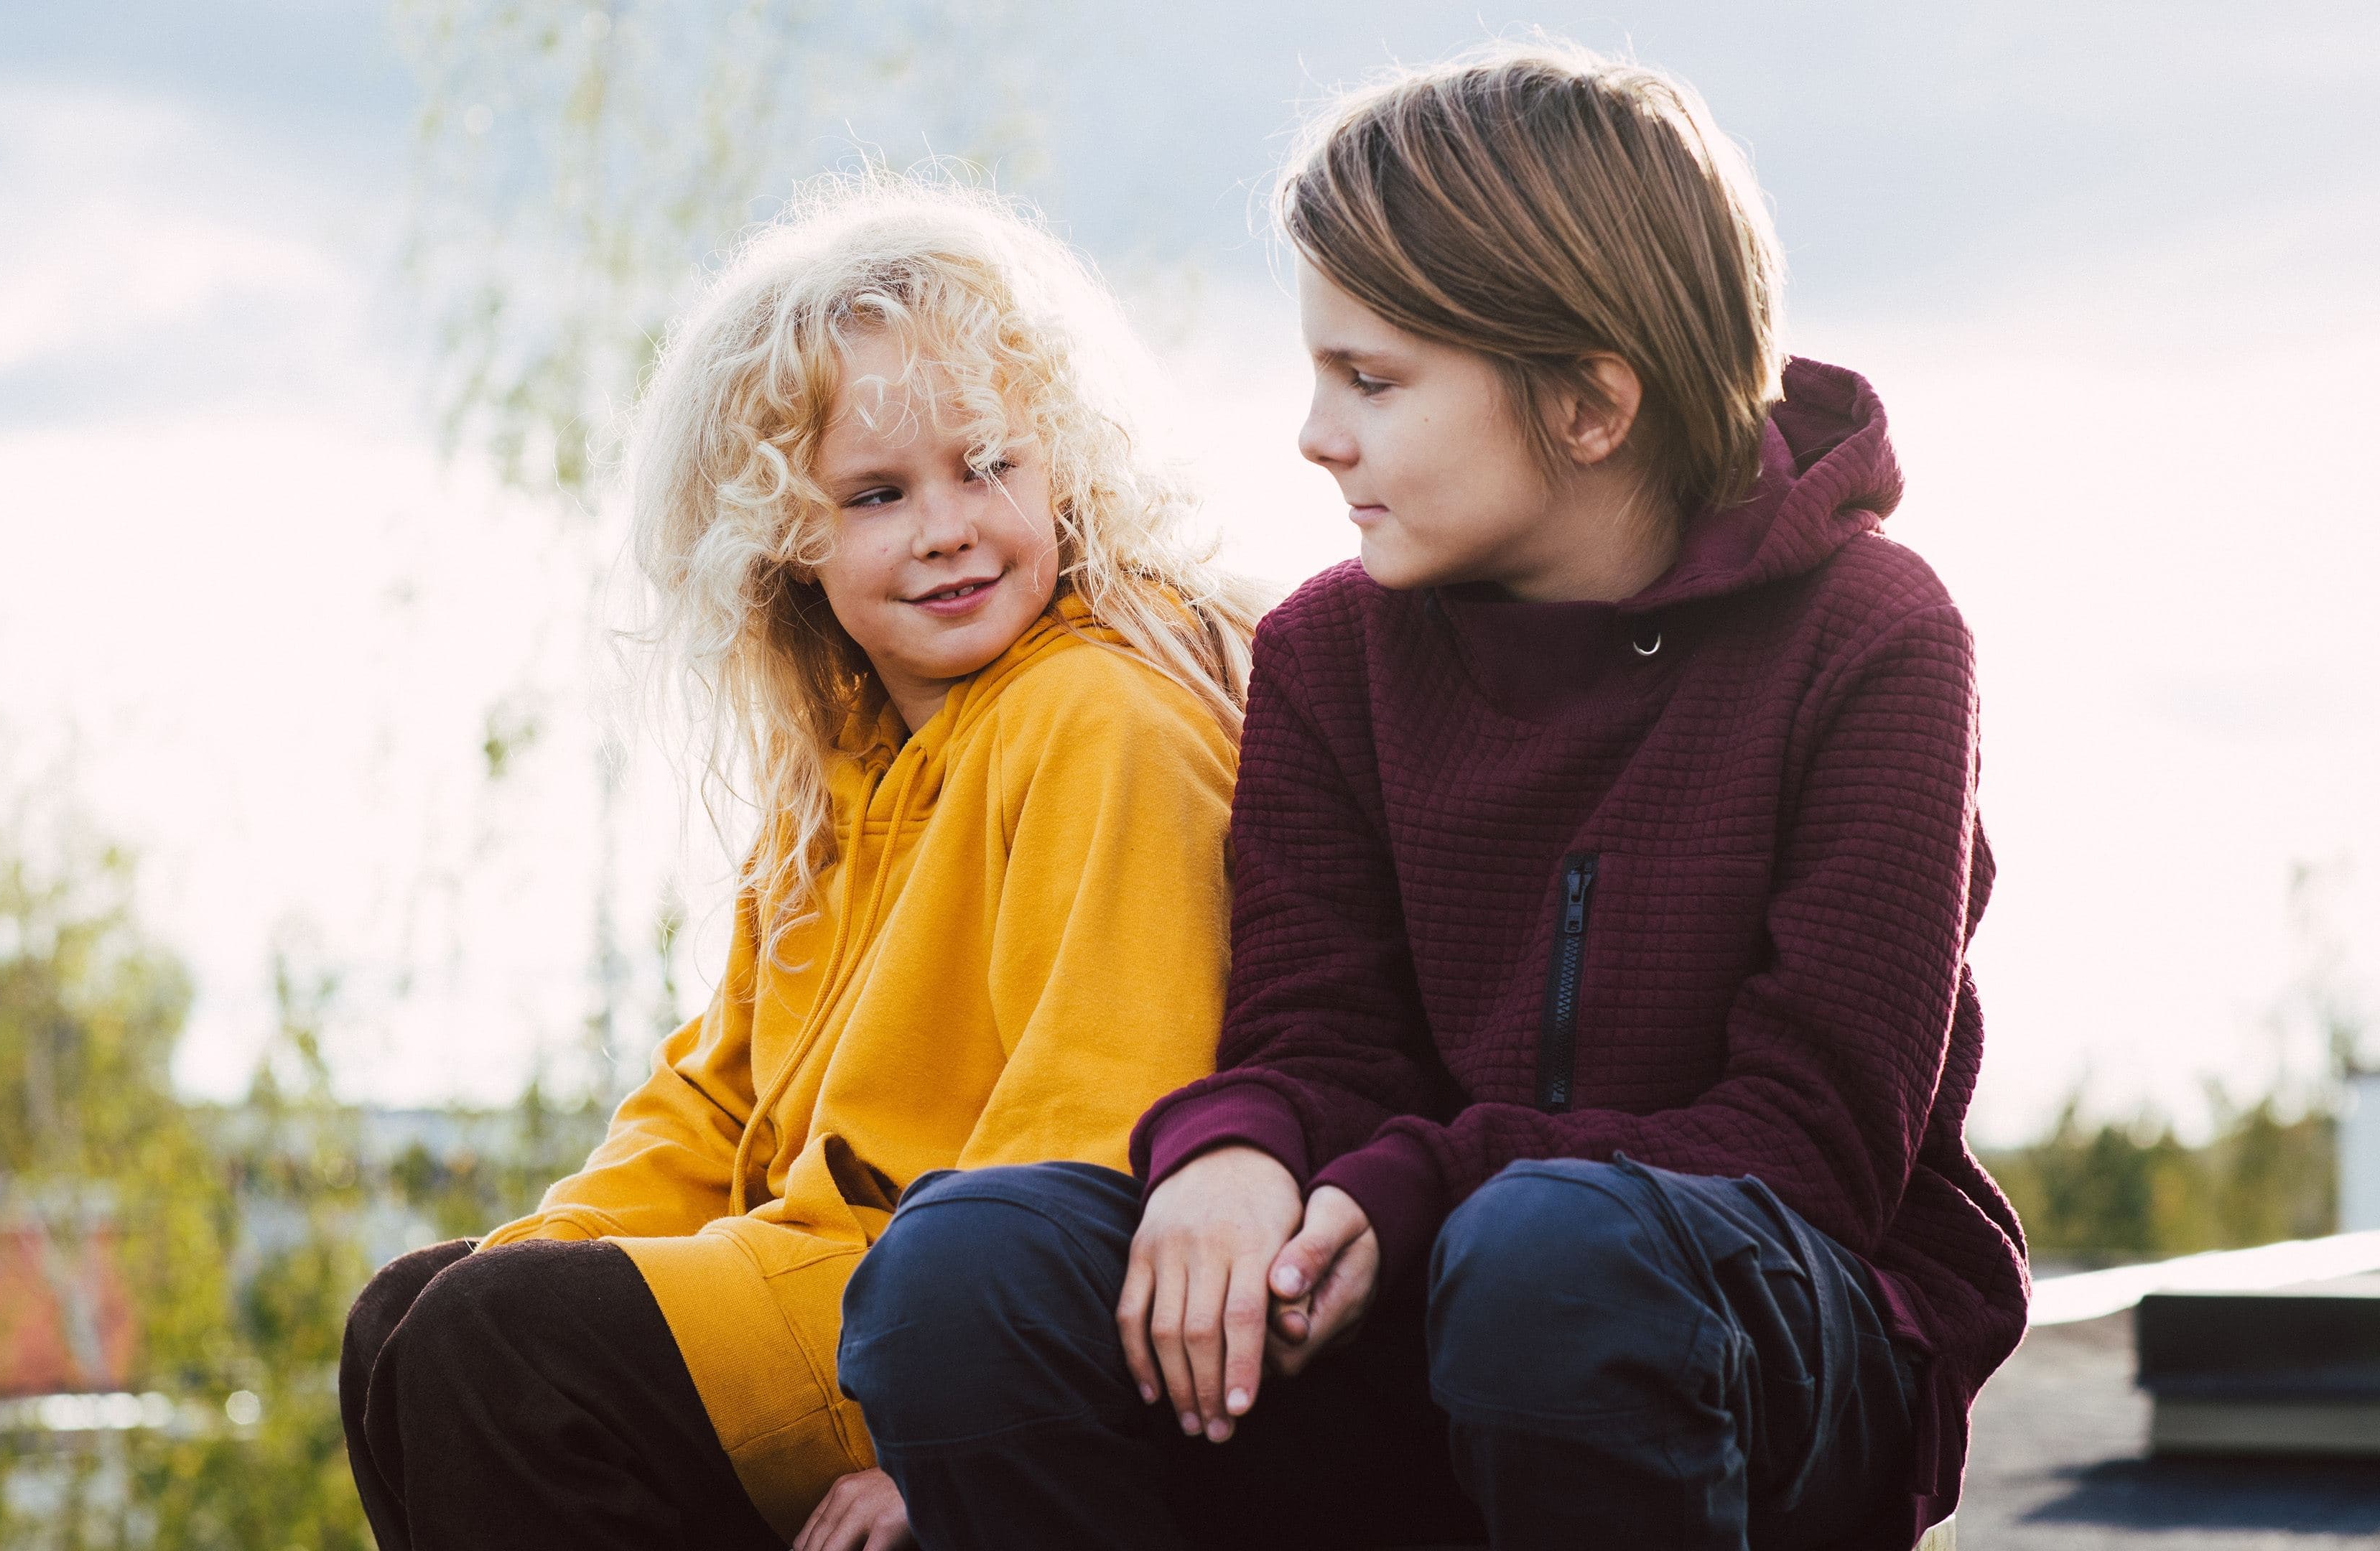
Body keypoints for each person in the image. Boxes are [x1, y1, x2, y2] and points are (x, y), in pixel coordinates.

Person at [840, 43, 2028, 1550]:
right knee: (969, 1262)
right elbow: (1317, 1033)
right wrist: (1238, 1150)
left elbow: (1814, 1142)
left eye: (1372, 380)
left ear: (1591, 404)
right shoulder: (1330, 651)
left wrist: (1426, 1178)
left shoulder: (1877, 639)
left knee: (1554, 1260)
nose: (1317, 432)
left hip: (1770, 1337)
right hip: (1411, 1300)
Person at [337, 176, 1263, 1551]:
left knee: (504, 1353)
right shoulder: (840, 769)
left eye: (989, 466)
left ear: (1066, 462)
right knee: (414, 1319)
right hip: (801, 1280)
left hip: (932, 1314)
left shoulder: (1103, 717)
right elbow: (710, 1108)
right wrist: (543, 1249)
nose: (945, 526)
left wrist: (938, 1439)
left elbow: (1103, 1121)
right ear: (786, 536)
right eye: (875, 494)